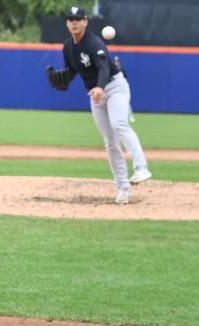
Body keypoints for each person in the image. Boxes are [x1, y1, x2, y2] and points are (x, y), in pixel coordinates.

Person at [47, 6, 152, 204]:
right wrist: (62, 81)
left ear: (86, 21)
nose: (74, 22)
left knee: (119, 123)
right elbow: (71, 71)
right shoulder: (68, 47)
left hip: (114, 87)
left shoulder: (94, 42)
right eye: (70, 19)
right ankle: (122, 188)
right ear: (67, 23)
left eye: (78, 19)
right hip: (95, 95)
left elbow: (104, 67)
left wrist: (100, 87)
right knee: (109, 142)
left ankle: (141, 168)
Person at [112, 56, 136, 123]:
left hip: (121, 88)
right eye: (115, 61)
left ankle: (130, 116)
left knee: (126, 103)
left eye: (117, 61)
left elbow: (125, 81)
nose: (116, 63)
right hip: (113, 89)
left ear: (119, 62)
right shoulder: (112, 70)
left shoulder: (122, 71)